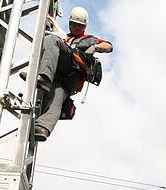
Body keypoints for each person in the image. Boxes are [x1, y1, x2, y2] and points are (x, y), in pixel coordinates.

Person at [34, 6, 113, 142]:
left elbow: (109, 46)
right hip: (58, 75)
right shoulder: (65, 38)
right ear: (70, 23)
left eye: (80, 26)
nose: (77, 27)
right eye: (75, 24)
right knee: (57, 96)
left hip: (72, 71)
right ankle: (43, 128)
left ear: (84, 27)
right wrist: (50, 21)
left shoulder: (88, 39)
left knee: (51, 40)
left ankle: (44, 78)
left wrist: (95, 47)